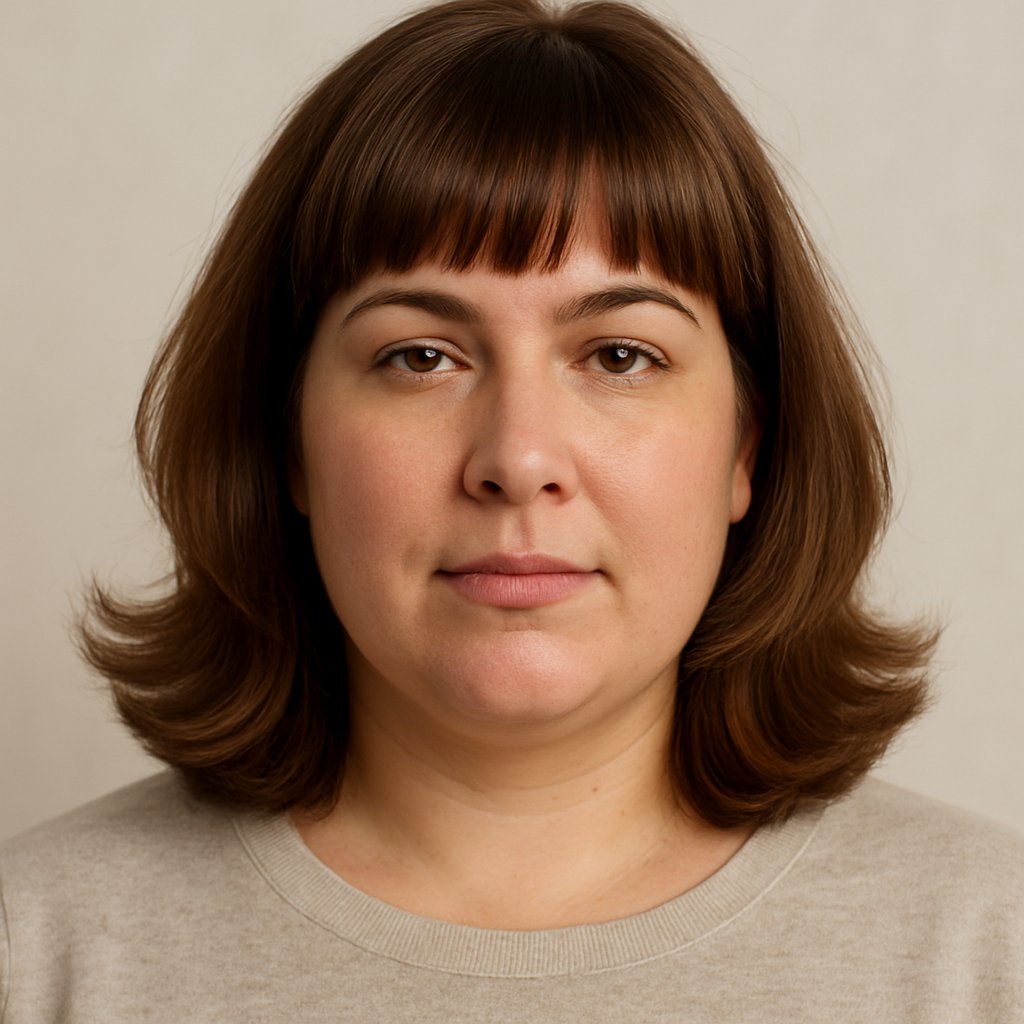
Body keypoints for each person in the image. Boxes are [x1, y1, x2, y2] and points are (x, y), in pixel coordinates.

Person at [1, 0, 1021, 1019]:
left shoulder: (985, 950)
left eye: (620, 355)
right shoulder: (40, 952)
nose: (518, 457)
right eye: (419, 357)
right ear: (287, 444)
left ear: (746, 445)